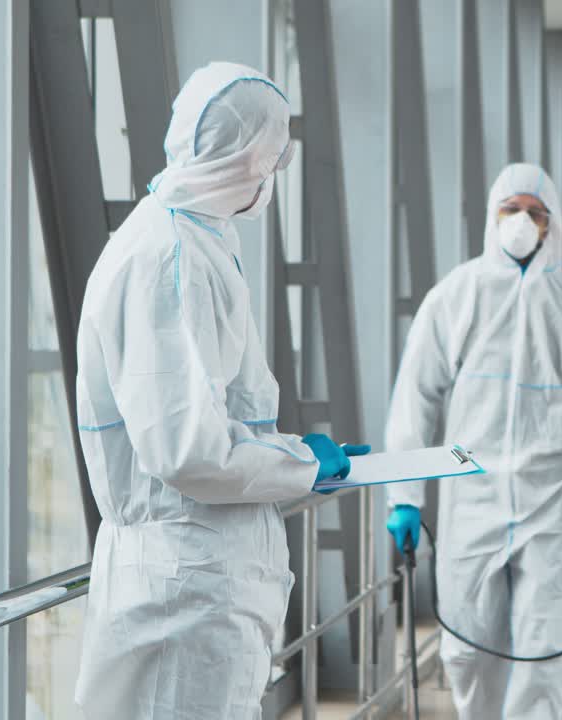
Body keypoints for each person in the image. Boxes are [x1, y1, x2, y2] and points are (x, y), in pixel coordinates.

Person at [73, 62, 368, 720]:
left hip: (199, 584)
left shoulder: (198, 241)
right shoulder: (168, 258)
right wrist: (299, 466)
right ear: (249, 158)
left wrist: (296, 457)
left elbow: (216, 418)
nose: (275, 171)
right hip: (184, 592)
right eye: (274, 154)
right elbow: (187, 452)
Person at [383, 163, 562, 719]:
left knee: (545, 652)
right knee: (468, 649)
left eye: (536, 212)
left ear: (551, 224)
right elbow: (415, 399)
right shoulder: (456, 295)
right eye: (513, 209)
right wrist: (405, 495)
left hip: (548, 493)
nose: (523, 221)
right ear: (492, 216)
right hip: (468, 492)